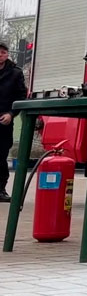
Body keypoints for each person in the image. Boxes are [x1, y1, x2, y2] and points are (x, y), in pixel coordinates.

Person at [0, 42, 28, 203]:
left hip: (4, 121)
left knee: (0, 156)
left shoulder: (15, 73)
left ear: (7, 55)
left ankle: (1, 189)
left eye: (3, 52)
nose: (0, 55)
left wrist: (11, 114)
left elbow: (21, 97)